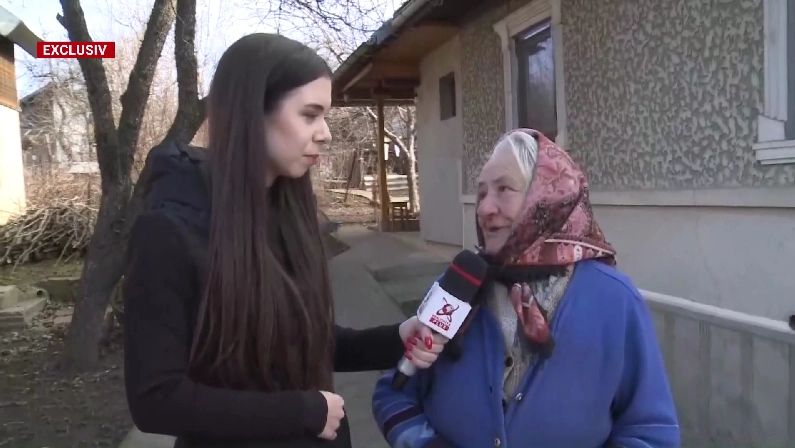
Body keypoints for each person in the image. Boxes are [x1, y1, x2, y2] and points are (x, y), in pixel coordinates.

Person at [122, 33, 445, 448]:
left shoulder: (288, 214)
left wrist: (396, 338)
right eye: (309, 115)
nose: (325, 133)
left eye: (324, 116)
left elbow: (300, 341)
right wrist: (303, 412)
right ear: (251, 112)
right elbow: (156, 399)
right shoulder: (168, 233)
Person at [372, 129, 680, 448]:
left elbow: (650, 430)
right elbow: (393, 393)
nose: (484, 208)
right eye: (481, 193)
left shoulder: (614, 300)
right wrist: (423, 444)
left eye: (503, 189)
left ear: (548, 198)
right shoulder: (456, 288)